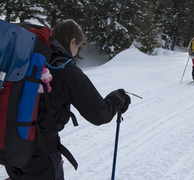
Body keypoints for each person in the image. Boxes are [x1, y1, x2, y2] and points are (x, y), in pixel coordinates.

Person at [4, 19, 131, 180]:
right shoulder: (63, 68)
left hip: (13, 144)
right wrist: (118, 99)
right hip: (41, 155)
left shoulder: (30, 59)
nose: (77, 51)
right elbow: (99, 114)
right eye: (79, 46)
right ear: (72, 42)